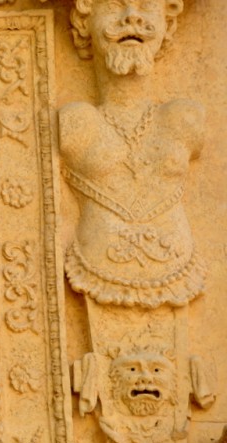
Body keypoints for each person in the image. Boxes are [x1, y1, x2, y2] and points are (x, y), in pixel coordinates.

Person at [60, 0, 205, 309]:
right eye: (114, 4)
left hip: (180, 271)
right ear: (85, 20)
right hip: (92, 269)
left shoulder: (186, 119)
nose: (132, 17)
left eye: (147, 5)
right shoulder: (74, 123)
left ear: (168, 21)